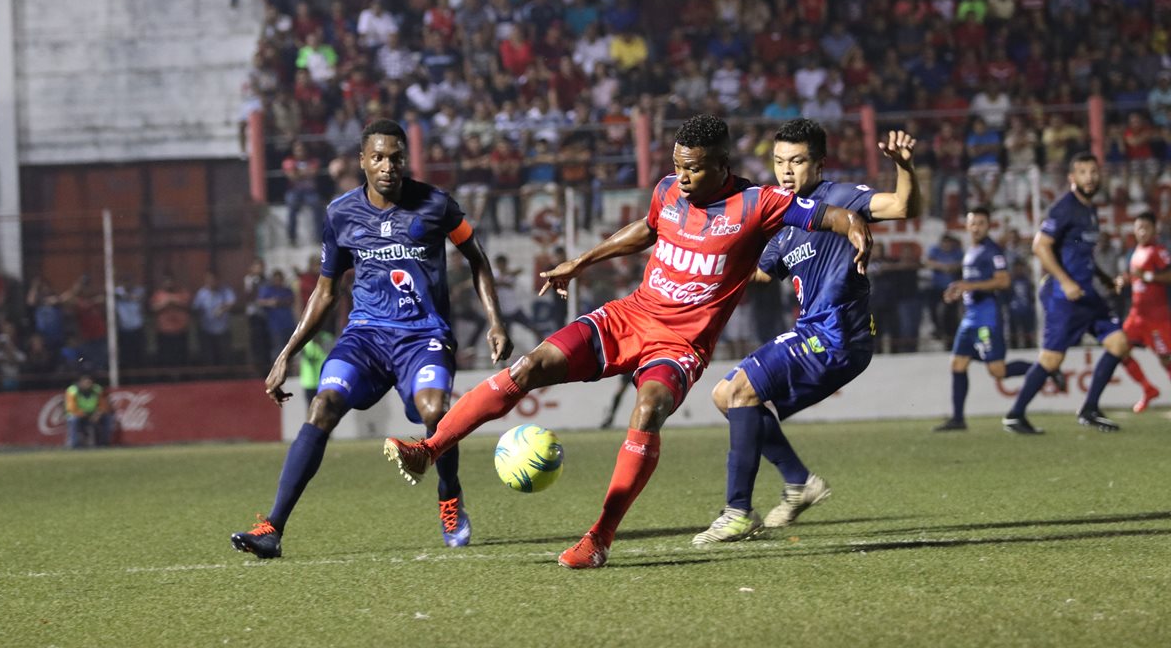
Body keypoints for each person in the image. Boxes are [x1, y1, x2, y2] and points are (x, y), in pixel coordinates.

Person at [384, 114, 873, 569]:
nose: (682, 177)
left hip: (680, 345)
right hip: (628, 317)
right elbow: (647, 228)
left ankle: (598, 539)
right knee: (529, 367)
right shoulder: (668, 191)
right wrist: (581, 262)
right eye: (678, 166)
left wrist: (856, 230)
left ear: (722, 166)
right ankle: (430, 448)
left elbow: (833, 216)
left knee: (647, 411)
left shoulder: (759, 204)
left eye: (694, 169)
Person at [231, 120, 513, 559]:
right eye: (378, 157)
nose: (387, 166)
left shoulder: (437, 205)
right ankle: (272, 527)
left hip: (423, 336)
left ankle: (449, 497)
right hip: (364, 337)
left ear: (406, 161)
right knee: (322, 405)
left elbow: (476, 260)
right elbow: (326, 291)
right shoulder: (340, 214)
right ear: (362, 161)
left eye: (395, 157)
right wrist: (287, 353)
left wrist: (495, 321)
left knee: (435, 412)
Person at [691, 120, 918, 545]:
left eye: (796, 161)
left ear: (818, 162)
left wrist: (904, 167)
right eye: (778, 162)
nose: (786, 171)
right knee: (727, 397)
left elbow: (903, 206)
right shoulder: (784, 217)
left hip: (836, 335)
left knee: (740, 391)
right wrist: (708, 259)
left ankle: (738, 511)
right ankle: (799, 482)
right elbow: (760, 273)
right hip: (816, 332)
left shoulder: (841, 197)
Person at [1003, 153, 1131, 435]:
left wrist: (1106, 281)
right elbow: (1040, 246)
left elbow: (1083, 256)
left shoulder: (1091, 211)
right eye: (1083, 172)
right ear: (1072, 178)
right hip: (1064, 295)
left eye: (1094, 172)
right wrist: (1066, 281)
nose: (1090, 177)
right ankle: (1015, 414)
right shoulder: (1065, 208)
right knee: (1051, 360)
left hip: (1087, 294)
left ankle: (1090, 409)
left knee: (1119, 343)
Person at [933, 208, 1034, 431]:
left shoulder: (992, 251)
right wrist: (958, 289)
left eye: (981, 223)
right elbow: (973, 282)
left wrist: (969, 286)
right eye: (973, 223)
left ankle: (1042, 368)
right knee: (958, 364)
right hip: (970, 316)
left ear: (989, 226)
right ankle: (958, 419)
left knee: (997, 371)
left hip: (987, 319)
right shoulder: (972, 250)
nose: (977, 227)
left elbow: (1003, 281)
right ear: (967, 226)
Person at [1113, 212, 1171, 413]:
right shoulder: (1135, 252)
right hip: (1136, 315)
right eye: (1139, 228)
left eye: (1146, 227)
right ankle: (1148, 389)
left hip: (1157, 317)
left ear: (1155, 229)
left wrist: (1146, 275)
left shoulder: (1159, 250)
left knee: (1166, 359)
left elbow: (1169, 275)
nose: (1142, 231)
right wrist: (1125, 280)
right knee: (1119, 349)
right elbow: (1136, 278)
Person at [65, 370, 113, 448]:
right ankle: (75, 444)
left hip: (93, 413)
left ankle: (104, 443)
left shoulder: (97, 389)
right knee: (74, 420)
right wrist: (84, 414)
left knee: (107, 418)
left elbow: (103, 405)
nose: (88, 384)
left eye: (89, 382)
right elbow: (71, 408)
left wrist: (98, 413)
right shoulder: (72, 391)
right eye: (86, 382)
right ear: (80, 382)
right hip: (78, 414)